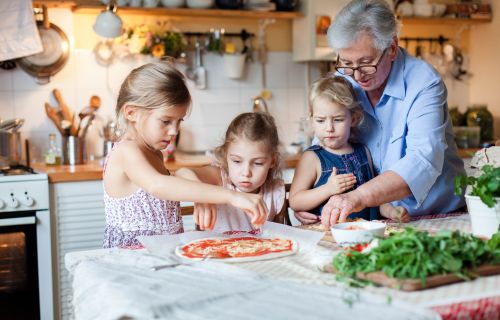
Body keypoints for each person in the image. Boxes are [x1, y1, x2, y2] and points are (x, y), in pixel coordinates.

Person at [297, 0, 465, 228]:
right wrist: (312, 201)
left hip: (435, 216)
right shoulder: (346, 80)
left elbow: (423, 160)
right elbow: (326, 148)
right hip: (375, 221)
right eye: (346, 63)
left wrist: (356, 197)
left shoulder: (424, 83)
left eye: (366, 62)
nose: (356, 75)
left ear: (392, 48)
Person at [102, 62, 268, 248]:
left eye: (179, 121)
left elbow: (175, 183)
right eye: (166, 121)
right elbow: (157, 185)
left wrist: (201, 194)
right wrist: (231, 196)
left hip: (160, 255)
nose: (174, 131)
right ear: (132, 113)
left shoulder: (155, 153)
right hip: (130, 261)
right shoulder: (126, 151)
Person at [289, 76, 410, 224]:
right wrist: (328, 189)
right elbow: (295, 201)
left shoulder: (363, 151)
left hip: (366, 235)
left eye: (338, 119)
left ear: (353, 119)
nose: (329, 128)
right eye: (320, 120)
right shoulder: (311, 157)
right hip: (327, 237)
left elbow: (374, 198)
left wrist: (391, 211)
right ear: (312, 120)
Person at [176, 112, 285, 232]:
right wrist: (201, 196)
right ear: (226, 155)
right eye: (237, 161)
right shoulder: (219, 178)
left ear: (273, 161)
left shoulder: (276, 192)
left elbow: (278, 236)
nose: (246, 173)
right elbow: (182, 173)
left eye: (258, 163)